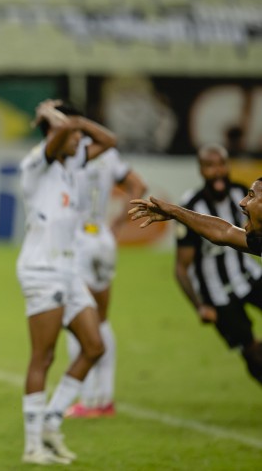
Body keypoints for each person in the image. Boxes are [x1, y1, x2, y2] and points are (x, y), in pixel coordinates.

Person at [16, 100, 115, 464]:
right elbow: (61, 136)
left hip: (70, 272)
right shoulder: (36, 164)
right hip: (42, 270)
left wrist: (74, 120)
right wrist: (62, 124)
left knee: (94, 346)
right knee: (43, 356)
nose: (80, 138)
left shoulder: (74, 162)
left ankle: (51, 422)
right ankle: (32, 445)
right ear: (55, 134)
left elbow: (111, 139)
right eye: (73, 134)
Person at [131, 145, 262, 385]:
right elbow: (222, 233)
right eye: (210, 166)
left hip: (250, 278)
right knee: (252, 352)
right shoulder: (194, 203)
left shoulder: (235, 193)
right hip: (219, 293)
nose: (242, 203)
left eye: (252, 197)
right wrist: (173, 211)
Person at [64, 144, 147, 418]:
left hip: (76, 241)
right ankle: (105, 399)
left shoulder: (65, 152)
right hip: (103, 237)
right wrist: (119, 222)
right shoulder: (109, 155)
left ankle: (88, 400)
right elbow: (138, 185)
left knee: (77, 317)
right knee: (101, 319)